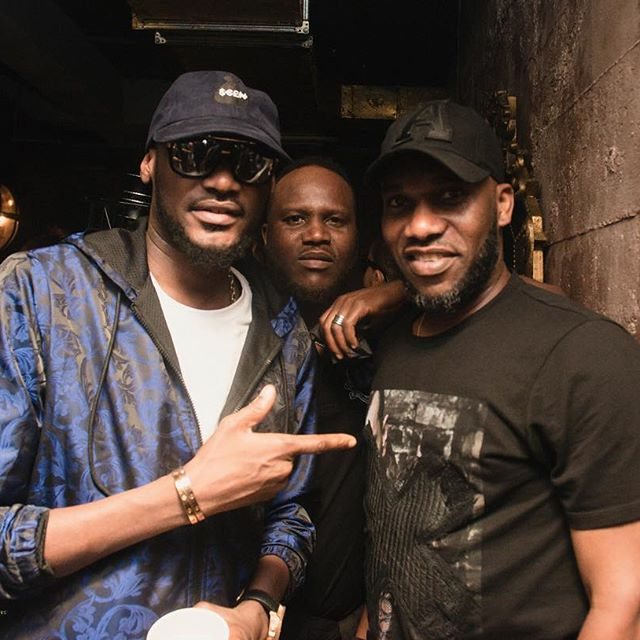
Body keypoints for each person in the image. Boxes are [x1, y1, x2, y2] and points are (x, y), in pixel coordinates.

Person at [0, 70, 356, 640]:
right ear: (149, 164)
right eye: (194, 154)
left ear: (268, 185)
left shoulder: (285, 331)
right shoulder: (41, 294)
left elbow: (291, 516)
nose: (223, 181)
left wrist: (257, 605)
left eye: (249, 163)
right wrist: (187, 494)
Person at [356, 99, 640, 639]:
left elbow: (624, 606)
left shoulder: (584, 354)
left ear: (503, 205)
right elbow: (393, 538)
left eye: (450, 197)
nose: (420, 225)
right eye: (399, 203)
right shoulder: (394, 346)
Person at [260, 157, 371, 640]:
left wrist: (393, 294)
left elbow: (527, 297)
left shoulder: (387, 336)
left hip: (350, 621)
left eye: (335, 220)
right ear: (264, 236)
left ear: (358, 237)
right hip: (250, 613)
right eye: (295, 218)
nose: (317, 234)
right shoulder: (241, 337)